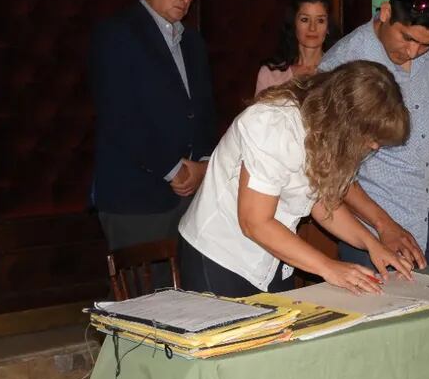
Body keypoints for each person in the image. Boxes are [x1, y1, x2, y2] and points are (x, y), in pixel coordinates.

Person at [178, 61, 416, 297]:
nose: (374, 145)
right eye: (371, 137)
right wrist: (328, 267)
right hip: (220, 256)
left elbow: (320, 202)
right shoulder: (273, 124)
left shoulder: (325, 126)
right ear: (347, 121)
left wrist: (371, 243)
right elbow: (255, 222)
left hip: (270, 259)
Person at [319, 0, 429, 269]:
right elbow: (329, 168)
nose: (413, 52)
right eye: (406, 38)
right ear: (385, 12)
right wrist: (383, 224)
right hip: (375, 235)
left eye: (426, 45)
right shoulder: (341, 65)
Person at [90, 0, 216, 263]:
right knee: (142, 300)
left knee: (186, 296)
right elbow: (118, 116)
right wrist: (172, 169)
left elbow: (202, 112)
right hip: (136, 194)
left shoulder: (194, 43)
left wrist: (202, 165)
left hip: (190, 195)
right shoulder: (117, 34)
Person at [255, 0, 338, 96]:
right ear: (294, 24)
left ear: (328, 27)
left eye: (320, 20)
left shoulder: (339, 72)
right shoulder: (270, 74)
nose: (312, 28)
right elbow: (258, 112)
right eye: (305, 19)